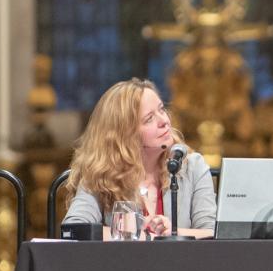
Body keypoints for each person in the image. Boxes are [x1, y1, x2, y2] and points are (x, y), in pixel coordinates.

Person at [63, 78, 216, 236]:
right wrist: (138, 235)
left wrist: (172, 233)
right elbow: (74, 229)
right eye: (149, 118)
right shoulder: (101, 173)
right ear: (124, 134)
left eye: (162, 110)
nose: (164, 121)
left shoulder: (192, 166)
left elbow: (211, 233)